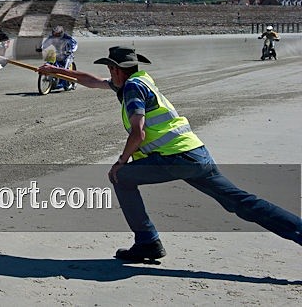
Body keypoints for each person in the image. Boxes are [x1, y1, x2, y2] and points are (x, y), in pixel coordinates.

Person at [37, 46, 302, 261]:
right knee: (241, 202)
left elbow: (138, 133)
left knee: (121, 177)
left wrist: (121, 162)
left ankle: (147, 241)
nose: (108, 75)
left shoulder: (132, 89)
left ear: (116, 70)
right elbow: (92, 82)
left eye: (110, 69)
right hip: (196, 153)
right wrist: (56, 71)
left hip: (175, 158)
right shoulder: (140, 80)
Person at [39, 25, 78, 90]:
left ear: (61, 33)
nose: (55, 35)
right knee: (49, 62)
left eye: (57, 34)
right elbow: (45, 43)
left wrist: (71, 50)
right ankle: (51, 77)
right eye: (54, 34)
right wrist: (41, 48)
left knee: (65, 68)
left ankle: (72, 83)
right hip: (56, 54)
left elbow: (75, 44)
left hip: (66, 55)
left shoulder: (68, 38)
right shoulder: (51, 38)